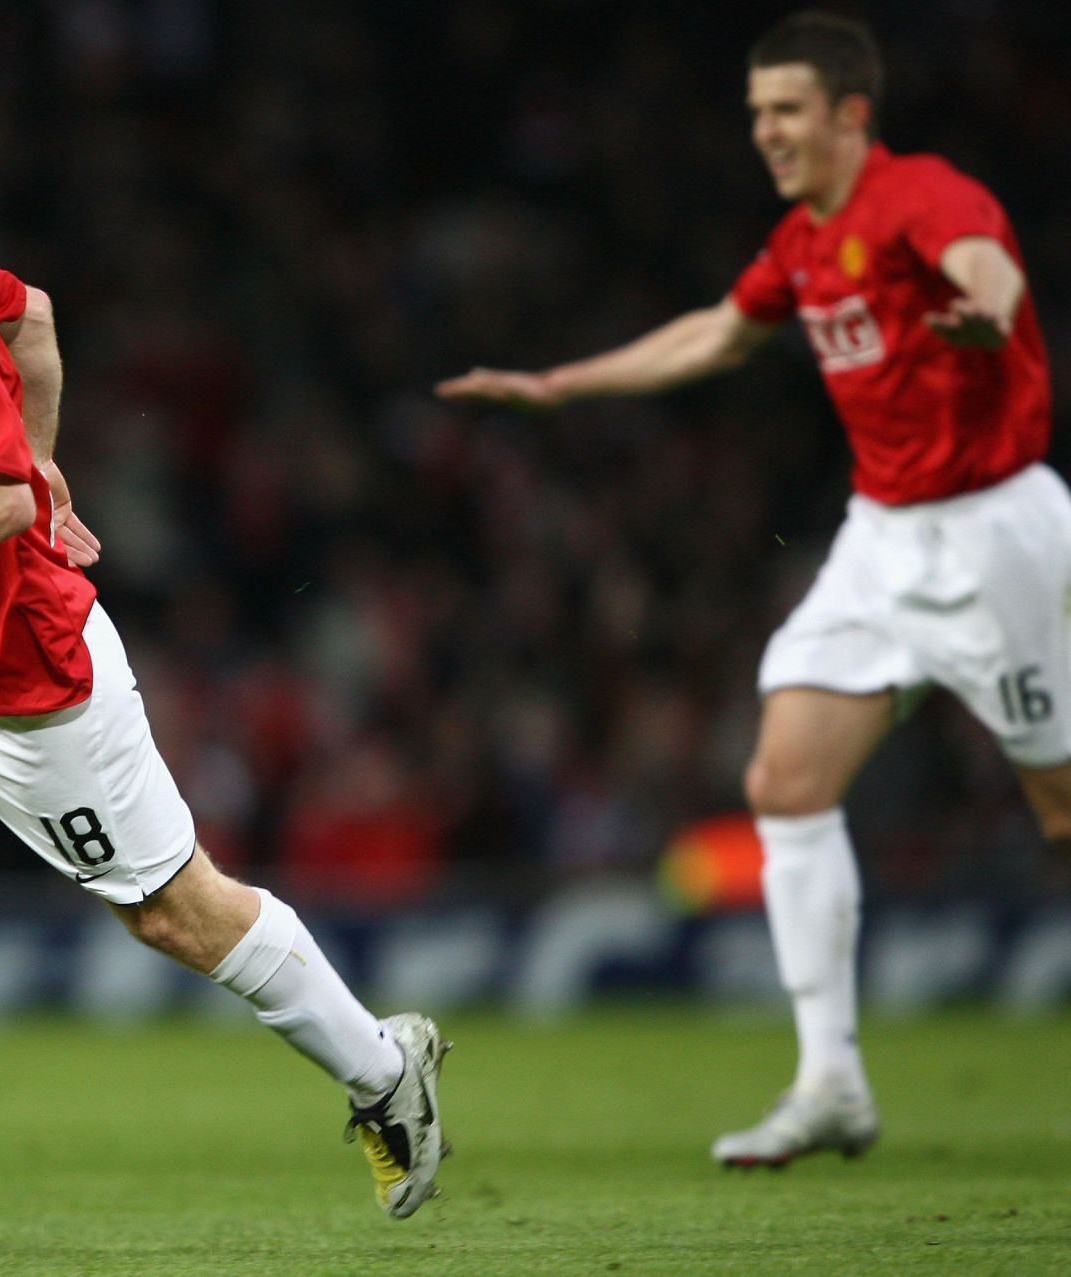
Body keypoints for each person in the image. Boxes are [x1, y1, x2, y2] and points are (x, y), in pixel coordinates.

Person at [0, 77, 450, 1225]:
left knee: (174, 914)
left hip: (24, 681)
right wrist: (42, 460)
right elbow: (37, 313)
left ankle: (384, 1069)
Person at [438, 10, 1064, 1168]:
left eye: (786, 111)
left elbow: (987, 262)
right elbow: (718, 335)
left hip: (1000, 533)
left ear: (850, 115)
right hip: (884, 538)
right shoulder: (803, 242)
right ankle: (830, 1079)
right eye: (756, 113)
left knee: (1062, 816)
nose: (765, 131)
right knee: (783, 776)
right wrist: (561, 385)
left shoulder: (919, 194)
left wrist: (992, 310)